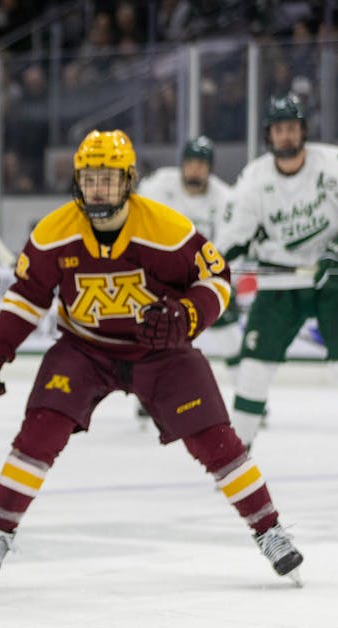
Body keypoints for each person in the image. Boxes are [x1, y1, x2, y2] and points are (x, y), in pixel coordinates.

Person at [0, 129, 303, 587]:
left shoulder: (167, 229)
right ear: (77, 182)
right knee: (38, 433)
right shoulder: (52, 234)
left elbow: (217, 279)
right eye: (89, 178)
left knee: (217, 440)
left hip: (161, 352)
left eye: (108, 178)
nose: (98, 188)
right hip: (84, 348)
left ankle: (270, 529)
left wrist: (186, 315)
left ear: (129, 181)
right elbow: (25, 300)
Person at [217, 94, 338, 490]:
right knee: (255, 369)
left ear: (303, 131)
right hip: (279, 286)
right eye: (279, 129)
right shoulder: (254, 180)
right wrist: (227, 255)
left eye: (292, 127)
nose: (286, 135)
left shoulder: (336, 166)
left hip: (336, 282)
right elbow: (232, 237)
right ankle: (236, 455)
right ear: (269, 135)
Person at [136, 135, 243, 423]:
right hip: (161, 278)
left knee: (230, 336)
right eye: (190, 163)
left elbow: (229, 243)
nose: (195, 169)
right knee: (155, 335)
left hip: (203, 279)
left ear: (210, 168)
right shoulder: (158, 186)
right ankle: (149, 396)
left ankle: (247, 396)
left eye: (201, 164)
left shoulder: (224, 198)